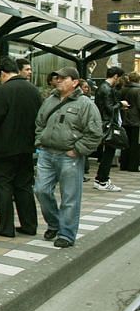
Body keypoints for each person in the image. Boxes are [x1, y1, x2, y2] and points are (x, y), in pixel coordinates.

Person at [34, 67, 102, 248]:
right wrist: (40, 140)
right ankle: (55, 223)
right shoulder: (50, 100)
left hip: (69, 156)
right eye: (57, 77)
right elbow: (40, 122)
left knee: (70, 196)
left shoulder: (85, 104)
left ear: (75, 82)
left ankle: (66, 233)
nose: (59, 81)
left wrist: (77, 149)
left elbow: (95, 132)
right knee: (41, 190)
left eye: (64, 78)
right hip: (47, 153)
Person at [0, 57, 42, 237]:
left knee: (3, 186)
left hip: (4, 147)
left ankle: (6, 227)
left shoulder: (3, 90)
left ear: (2, 73)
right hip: (27, 147)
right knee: (24, 186)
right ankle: (29, 225)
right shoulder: (33, 90)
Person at [94, 66, 127, 192]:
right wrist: (120, 104)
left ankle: (100, 179)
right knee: (109, 151)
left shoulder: (102, 87)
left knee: (107, 152)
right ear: (116, 76)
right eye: (120, 77)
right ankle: (102, 180)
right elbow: (109, 108)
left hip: (104, 122)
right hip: (108, 124)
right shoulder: (107, 89)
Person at [120, 72, 140, 172]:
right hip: (136, 119)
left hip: (124, 118)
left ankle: (123, 164)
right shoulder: (138, 90)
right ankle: (133, 166)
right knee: (134, 143)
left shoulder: (123, 89)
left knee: (125, 142)